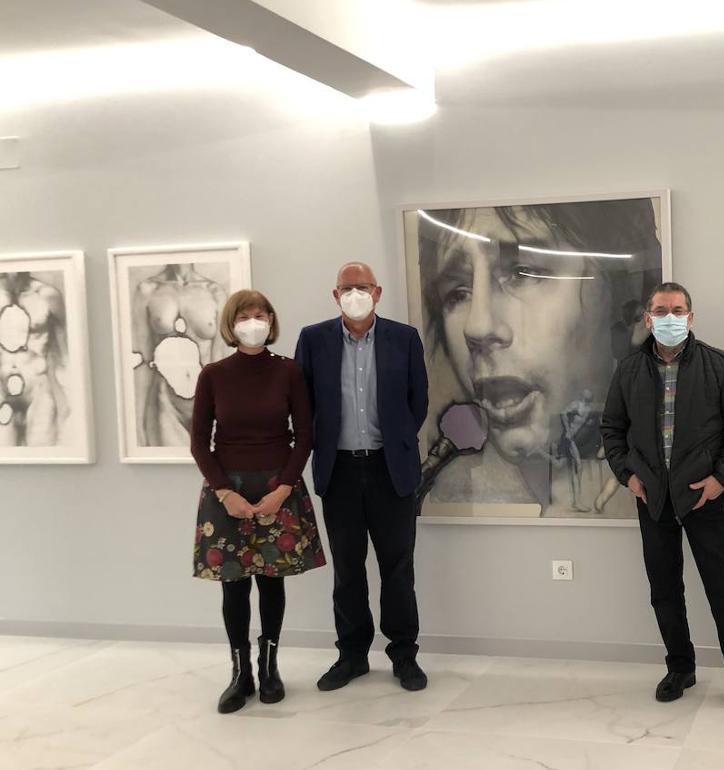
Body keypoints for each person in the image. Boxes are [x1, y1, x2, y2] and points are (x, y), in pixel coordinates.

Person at [413, 201, 663, 517]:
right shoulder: (447, 488)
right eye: (457, 292)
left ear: (638, 309)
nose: (477, 327)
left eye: (524, 272)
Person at [601, 281, 724, 719]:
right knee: (664, 590)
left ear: (690, 318)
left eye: (677, 310)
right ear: (647, 318)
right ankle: (680, 668)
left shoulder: (721, 366)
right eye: (660, 310)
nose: (668, 317)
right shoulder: (629, 371)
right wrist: (628, 476)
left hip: (704, 501)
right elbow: (612, 430)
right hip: (652, 500)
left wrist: (720, 480)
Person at [294, 262, 430, 693]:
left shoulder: (403, 338)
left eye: (363, 287)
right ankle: (351, 655)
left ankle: (404, 654)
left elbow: (418, 401)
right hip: (340, 472)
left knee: (398, 568)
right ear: (335, 295)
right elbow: (303, 404)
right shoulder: (313, 340)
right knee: (347, 569)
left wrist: (396, 441)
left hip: (391, 470)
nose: (355, 293)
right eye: (347, 288)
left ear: (378, 291)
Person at [190, 289, 324, 714]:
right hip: (227, 489)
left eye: (261, 314)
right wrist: (224, 492)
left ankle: (270, 669)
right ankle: (240, 673)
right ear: (232, 323)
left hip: (277, 486)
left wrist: (283, 489)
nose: (254, 321)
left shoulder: (288, 372)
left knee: (271, 581)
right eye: (245, 315)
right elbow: (199, 443)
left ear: (271, 319)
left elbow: (305, 436)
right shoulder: (213, 375)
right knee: (234, 585)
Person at [133, 263, 228, 447]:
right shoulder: (148, 290)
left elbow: (220, 359)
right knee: (166, 471)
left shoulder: (214, 292)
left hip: (207, 399)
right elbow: (142, 361)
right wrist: (137, 424)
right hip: (164, 401)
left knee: (211, 469)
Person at [0, 271, 68, 446]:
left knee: (43, 451)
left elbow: (65, 348)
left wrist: (65, 395)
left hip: (38, 383)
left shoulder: (47, 295)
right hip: (1, 385)